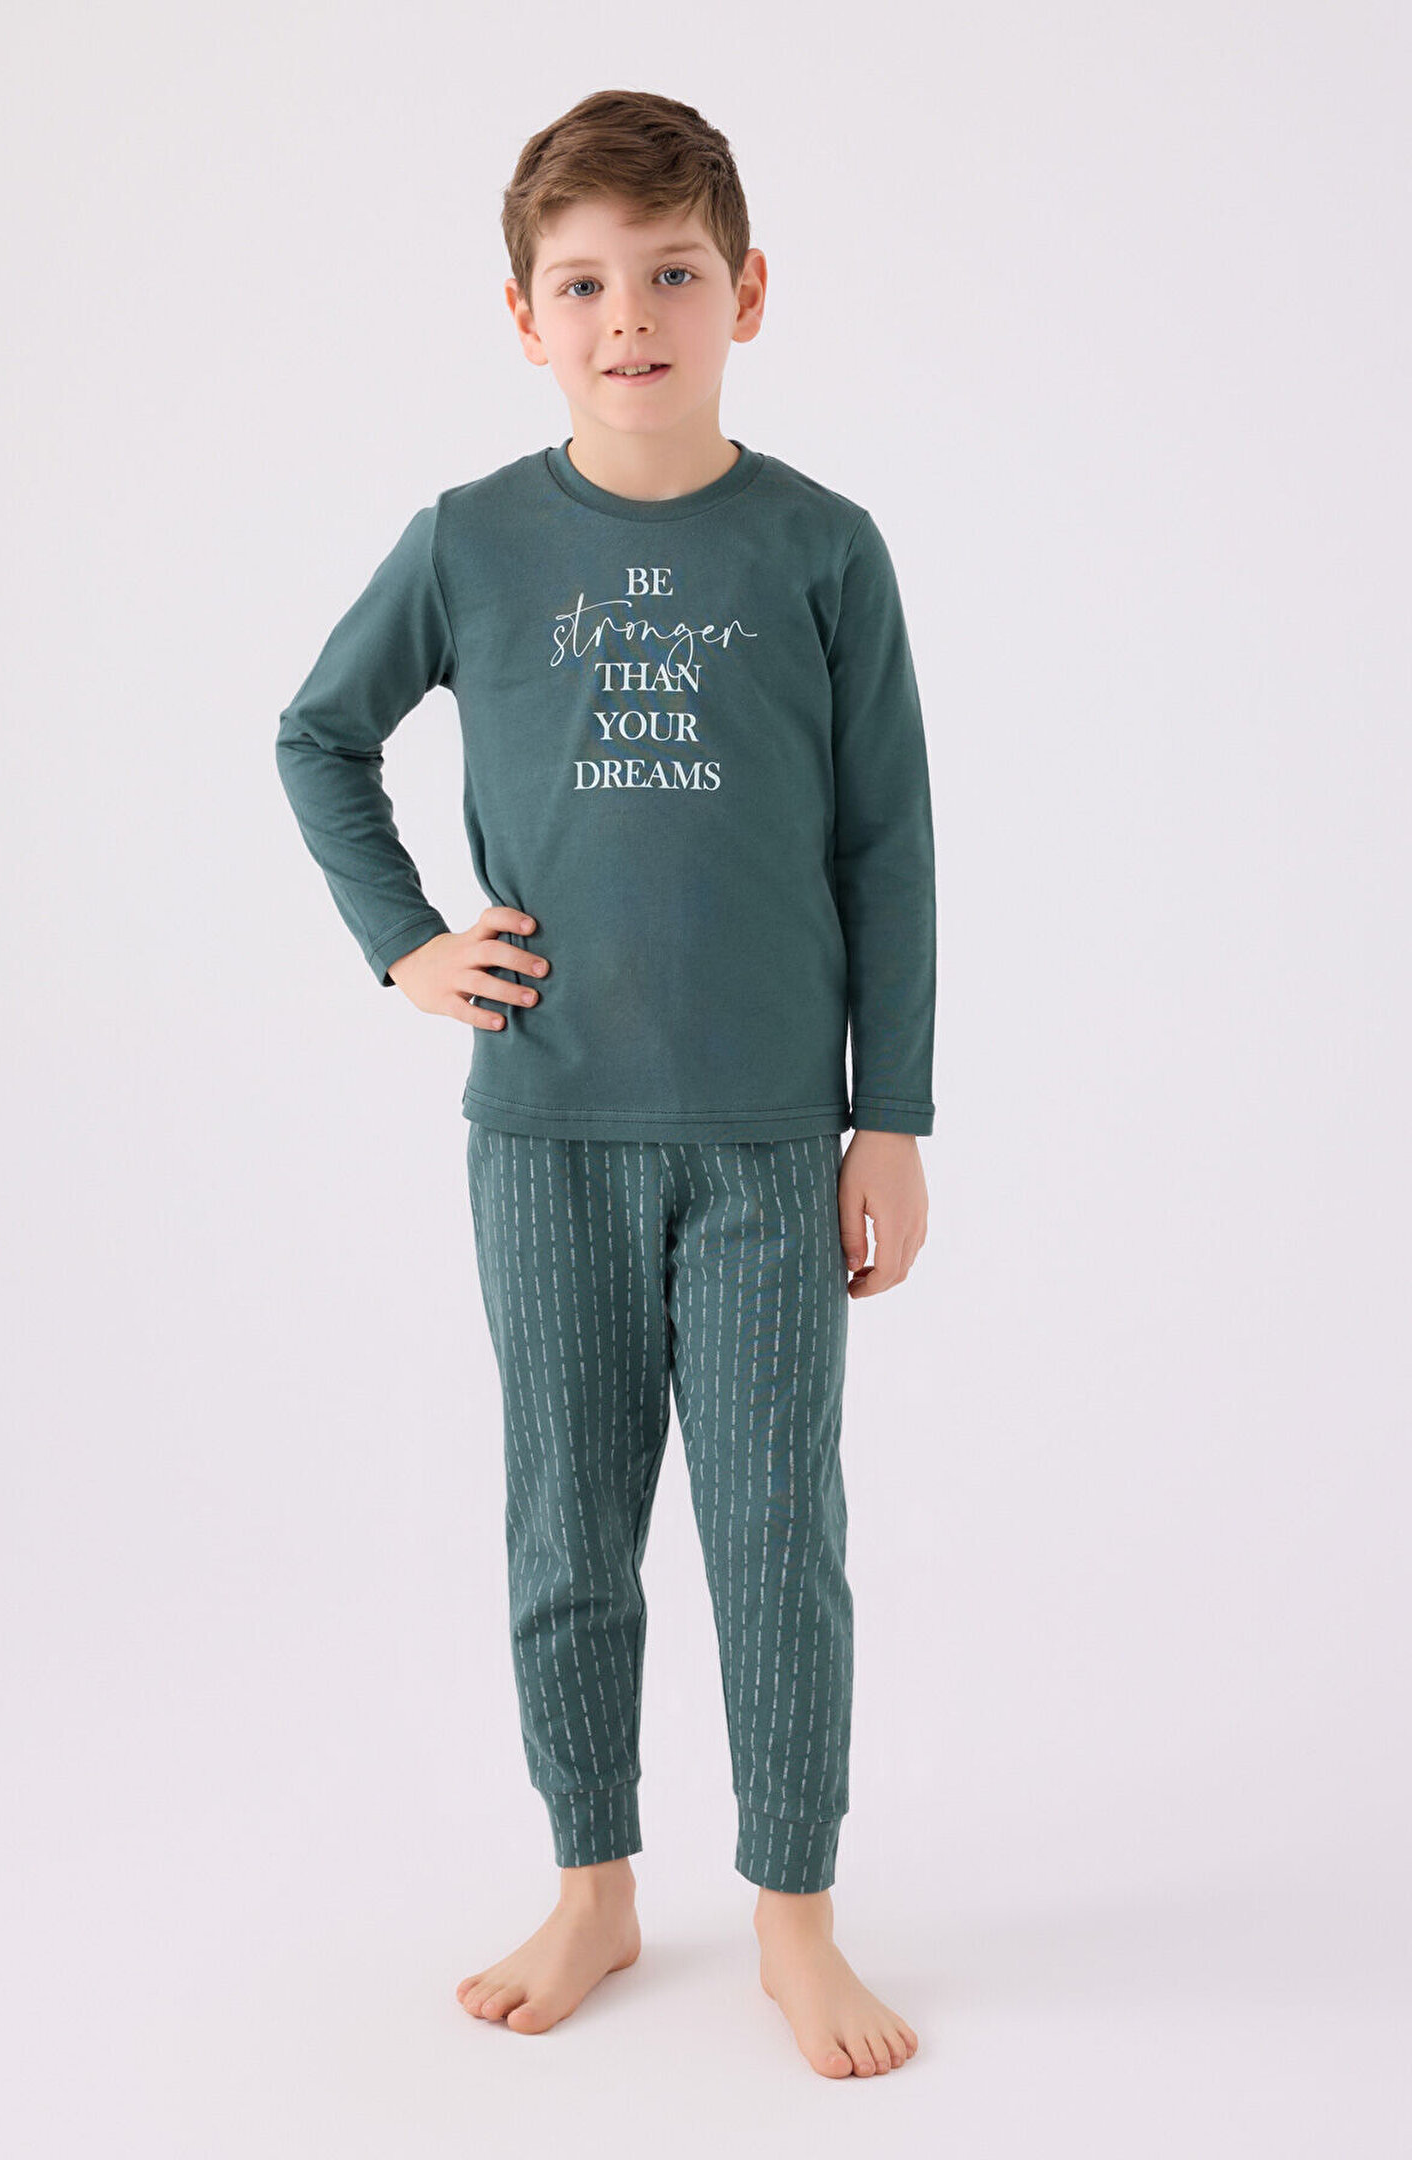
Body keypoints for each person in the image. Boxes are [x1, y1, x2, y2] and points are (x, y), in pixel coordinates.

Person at [274, 87, 936, 2080]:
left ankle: (796, 1915)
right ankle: (594, 1885)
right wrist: (406, 942)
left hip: (766, 1147)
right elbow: (320, 735)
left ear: (749, 291)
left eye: (671, 273)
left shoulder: (823, 548)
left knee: (775, 1537)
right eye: (582, 283)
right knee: (568, 1530)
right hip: (547, 1130)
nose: (629, 315)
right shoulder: (471, 541)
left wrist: (890, 1116)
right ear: (523, 315)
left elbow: (888, 849)